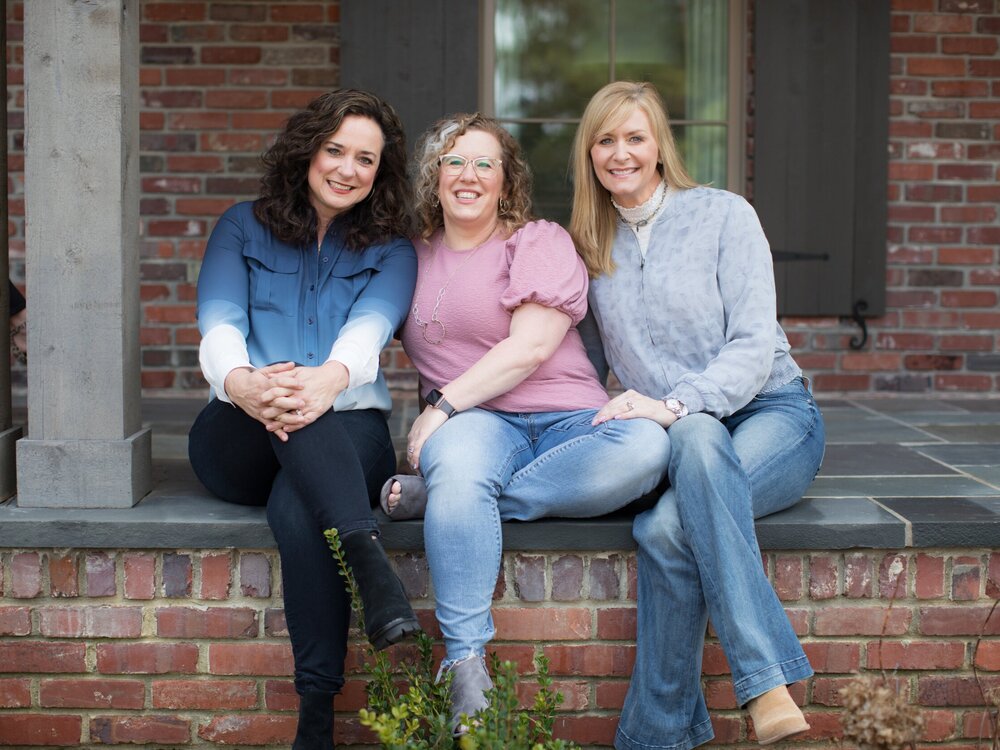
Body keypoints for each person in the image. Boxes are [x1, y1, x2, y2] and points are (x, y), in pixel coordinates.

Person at [380, 113, 670, 732]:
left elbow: (531, 348)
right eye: (455, 161)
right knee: (462, 464)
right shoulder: (405, 259)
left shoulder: (537, 240)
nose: (469, 175)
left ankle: (453, 499)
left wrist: (442, 406)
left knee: (646, 446)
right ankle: (463, 667)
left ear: (506, 183)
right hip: (480, 425)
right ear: (434, 177)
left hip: (568, 419)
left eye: (486, 164)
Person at [569, 81, 826, 750]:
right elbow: (582, 367)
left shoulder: (724, 215)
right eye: (605, 140)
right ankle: (763, 692)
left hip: (774, 412)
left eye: (635, 137)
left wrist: (672, 404)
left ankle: (672, 726)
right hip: (683, 431)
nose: (620, 153)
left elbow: (750, 346)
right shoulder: (589, 247)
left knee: (664, 527)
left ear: (660, 146)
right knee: (688, 457)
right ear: (588, 152)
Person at [187, 89, 420, 750]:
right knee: (289, 402)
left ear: (382, 172)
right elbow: (220, 324)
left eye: (365, 159)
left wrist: (325, 382)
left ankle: (315, 718)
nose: (347, 168)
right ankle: (370, 564)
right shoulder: (241, 225)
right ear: (308, 151)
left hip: (349, 431)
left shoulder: (394, 248)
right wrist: (241, 383)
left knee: (298, 510)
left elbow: (368, 332)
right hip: (239, 429)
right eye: (335, 150)